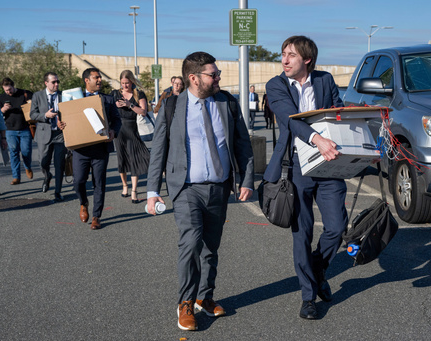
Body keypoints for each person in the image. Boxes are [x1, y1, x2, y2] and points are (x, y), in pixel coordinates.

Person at [146, 51, 254, 331]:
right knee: (191, 242)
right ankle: (185, 302)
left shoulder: (227, 103)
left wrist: (247, 180)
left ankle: (205, 297)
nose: (218, 77)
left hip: (219, 186)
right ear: (193, 78)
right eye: (213, 74)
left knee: (211, 246)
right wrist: (152, 191)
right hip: (185, 188)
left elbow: (243, 144)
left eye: (217, 73)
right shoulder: (171, 106)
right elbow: (158, 150)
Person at [264, 36, 347, 320]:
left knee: (337, 226)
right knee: (303, 232)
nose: (284, 60)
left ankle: (316, 267)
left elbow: (338, 112)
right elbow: (290, 117)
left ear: (307, 59)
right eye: (283, 54)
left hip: (328, 164)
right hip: (295, 166)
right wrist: (317, 139)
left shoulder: (324, 80)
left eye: (291, 55)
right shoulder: (276, 85)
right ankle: (308, 297)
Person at [58, 68, 122, 230]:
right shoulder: (73, 100)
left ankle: (96, 216)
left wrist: (114, 130)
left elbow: (116, 119)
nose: (99, 80)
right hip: (81, 149)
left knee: (99, 183)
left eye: (100, 77)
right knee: (78, 181)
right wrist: (61, 124)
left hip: (100, 149)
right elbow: (65, 118)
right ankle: (83, 202)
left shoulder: (107, 99)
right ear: (87, 80)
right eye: (96, 78)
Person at [112, 70, 151, 204]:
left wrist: (130, 105)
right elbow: (107, 108)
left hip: (132, 129)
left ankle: (134, 190)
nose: (125, 86)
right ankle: (125, 185)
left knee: (134, 158)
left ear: (132, 81)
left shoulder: (138, 93)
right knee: (121, 159)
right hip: (118, 129)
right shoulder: (115, 93)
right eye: (122, 83)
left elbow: (143, 112)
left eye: (127, 83)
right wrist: (114, 105)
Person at [29, 72, 66, 202]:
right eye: (53, 82)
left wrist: (64, 122)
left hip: (60, 135)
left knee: (59, 164)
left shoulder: (63, 95)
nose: (56, 84)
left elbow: (69, 113)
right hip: (44, 133)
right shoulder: (37, 96)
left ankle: (58, 191)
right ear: (46, 83)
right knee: (43, 162)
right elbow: (32, 114)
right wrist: (45, 115)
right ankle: (47, 176)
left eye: (57, 82)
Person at [0, 78, 34, 185]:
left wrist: (30, 104)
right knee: (14, 153)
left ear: (14, 86)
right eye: (6, 90)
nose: (8, 92)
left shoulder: (25, 93)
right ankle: (16, 177)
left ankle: (27, 167)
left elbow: (34, 106)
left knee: (26, 151)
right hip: (10, 130)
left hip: (24, 128)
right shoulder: (2, 98)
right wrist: (2, 110)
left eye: (9, 89)